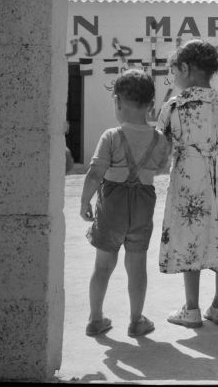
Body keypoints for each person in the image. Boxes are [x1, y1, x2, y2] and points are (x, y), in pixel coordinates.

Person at [157, 39, 218, 328]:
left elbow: (161, 148)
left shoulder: (174, 105)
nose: (175, 78)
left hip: (187, 180)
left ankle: (191, 308)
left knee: (189, 236)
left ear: (185, 68)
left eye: (175, 72)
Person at [80, 69, 171, 338]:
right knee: (137, 264)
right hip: (143, 203)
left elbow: (95, 174)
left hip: (112, 204)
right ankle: (136, 320)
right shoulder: (160, 140)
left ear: (118, 101)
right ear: (151, 105)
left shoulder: (111, 136)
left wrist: (85, 201)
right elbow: (161, 167)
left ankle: (96, 318)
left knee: (103, 265)